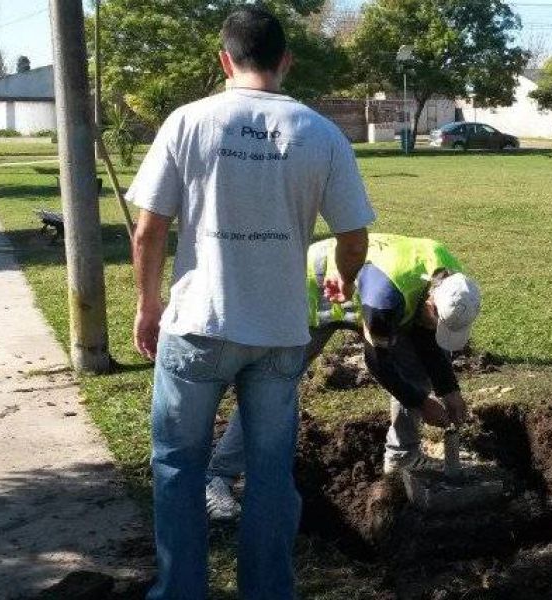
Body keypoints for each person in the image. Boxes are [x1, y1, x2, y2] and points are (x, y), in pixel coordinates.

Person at [127, 7, 374, 599]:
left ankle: (180, 591)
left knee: (178, 466)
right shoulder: (322, 133)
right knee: (269, 476)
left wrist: (147, 304)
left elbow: (148, 231)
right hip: (280, 334)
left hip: (199, 326)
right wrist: (341, 278)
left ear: (224, 59)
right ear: (286, 60)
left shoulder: (188, 122)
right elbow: (355, 237)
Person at [205, 233, 481, 521]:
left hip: (374, 292)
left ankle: (402, 455)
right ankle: (219, 476)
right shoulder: (385, 298)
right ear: (430, 304)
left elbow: (427, 337)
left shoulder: (451, 279)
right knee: (272, 385)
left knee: (418, 367)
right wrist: (422, 403)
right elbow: (378, 364)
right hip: (314, 291)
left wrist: (450, 390)